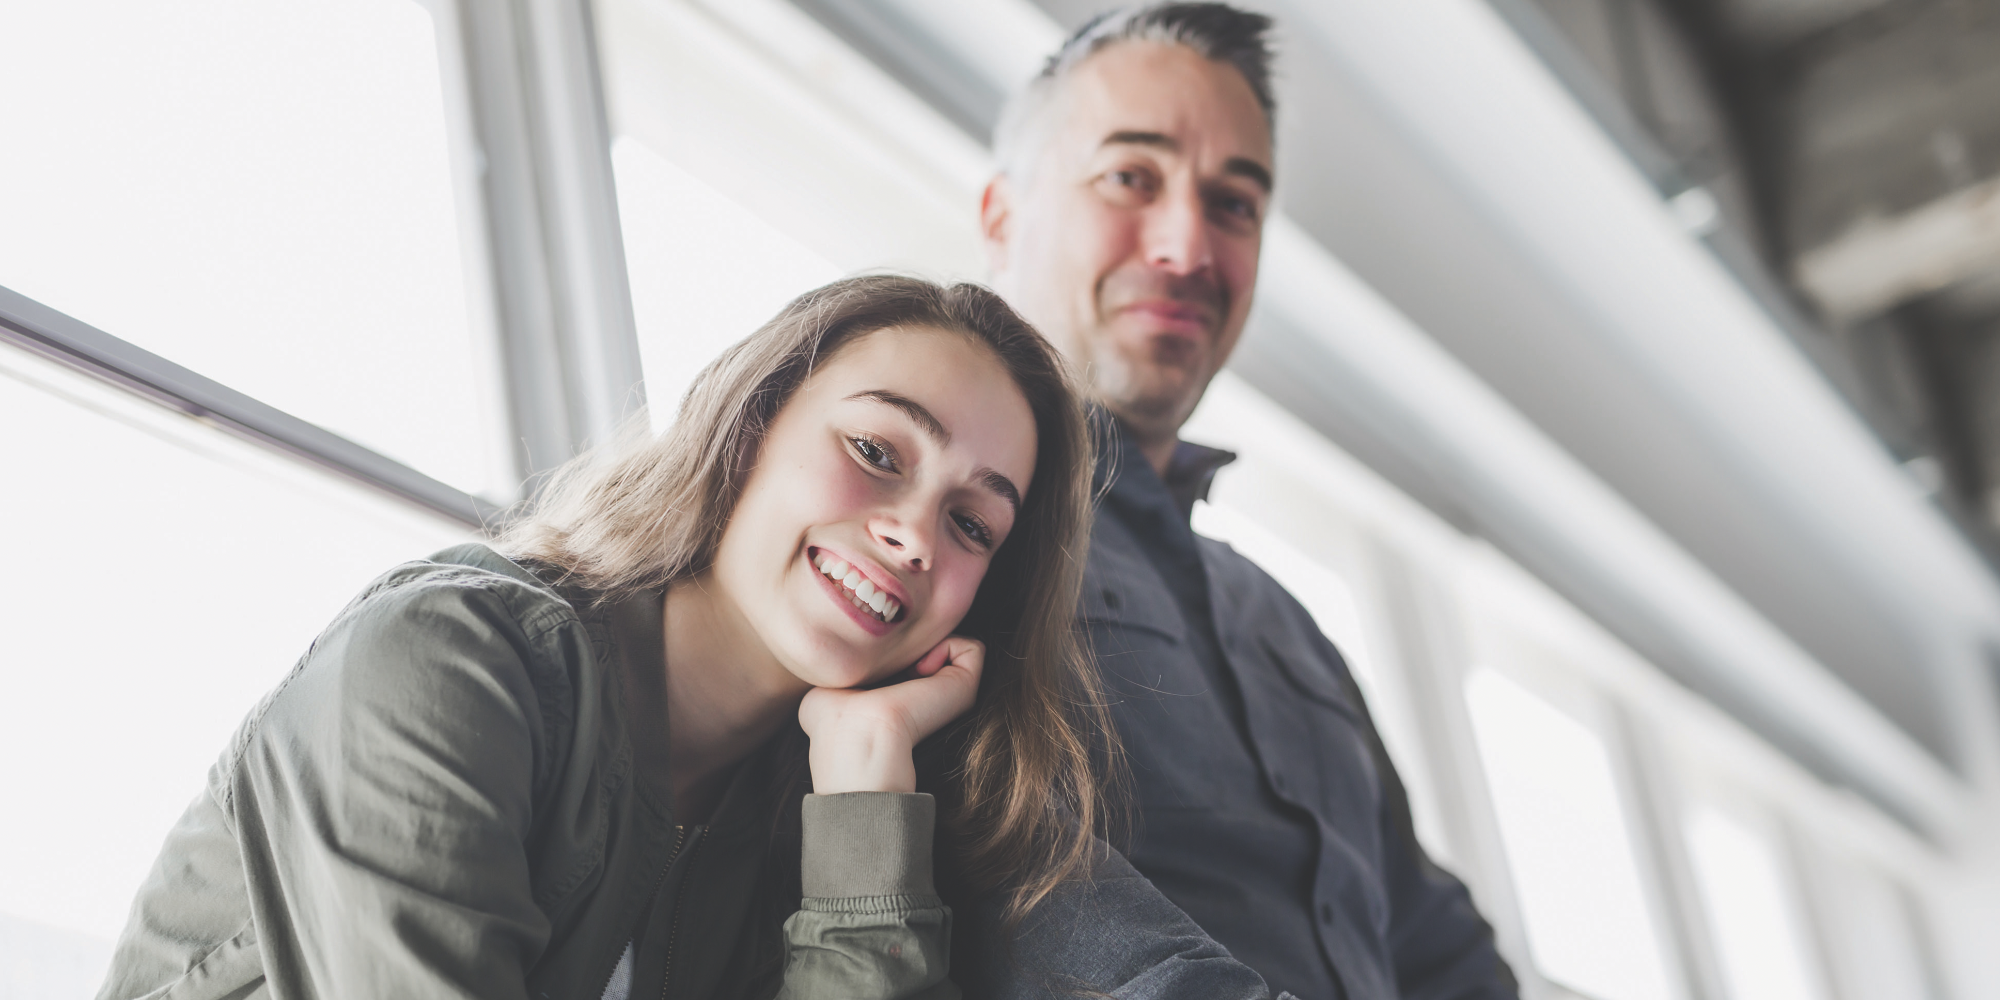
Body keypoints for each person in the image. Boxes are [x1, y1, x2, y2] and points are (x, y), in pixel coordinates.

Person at [95, 275, 1119, 1000]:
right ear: (748, 427)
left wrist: (864, 804)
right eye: (873, 448)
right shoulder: (443, 666)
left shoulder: (797, 823)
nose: (911, 534)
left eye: (972, 524)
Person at [975, 6, 1521, 998]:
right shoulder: (952, 538)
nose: (1187, 246)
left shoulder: (1286, 631)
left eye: (1234, 203)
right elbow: (980, 873)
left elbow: (1437, 947)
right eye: (1129, 178)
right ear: (1001, 215)